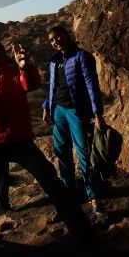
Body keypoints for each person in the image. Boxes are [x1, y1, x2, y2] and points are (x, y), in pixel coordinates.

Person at [0, 40, 95, 243]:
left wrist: (26, 67)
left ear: (4, 54)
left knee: (52, 184)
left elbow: (32, 84)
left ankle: (83, 233)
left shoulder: (14, 73)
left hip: (20, 140)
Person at [42, 25, 108, 224]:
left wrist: (98, 114)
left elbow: (91, 84)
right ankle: (69, 199)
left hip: (76, 111)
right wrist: (47, 106)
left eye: (58, 37)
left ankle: (95, 201)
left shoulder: (81, 56)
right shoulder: (55, 60)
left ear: (66, 35)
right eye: (52, 40)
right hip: (59, 111)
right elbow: (52, 86)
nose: (55, 41)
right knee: (62, 153)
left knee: (85, 154)